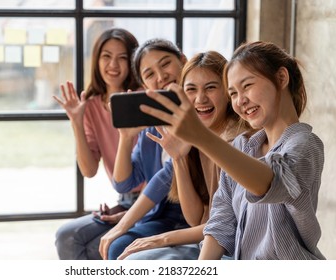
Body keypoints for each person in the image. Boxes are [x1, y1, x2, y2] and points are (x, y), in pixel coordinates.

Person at [139, 41, 325, 260]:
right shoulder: (242, 147)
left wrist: (201, 136)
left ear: (281, 78)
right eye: (233, 93)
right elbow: (220, 223)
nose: (240, 101)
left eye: (247, 86)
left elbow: (270, 181)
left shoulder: (305, 144)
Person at [117, 51, 250, 260]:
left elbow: (226, 226)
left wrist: (161, 239)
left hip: (230, 249)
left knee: (132, 259)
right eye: (191, 90)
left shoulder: (237, 143)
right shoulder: (194, 138)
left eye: (211, 87)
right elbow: (195, 217)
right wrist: (179, 158)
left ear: (227, 91)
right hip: (204, 240)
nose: (200, 98)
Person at [52, 27, 143, 260]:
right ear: (96, 61)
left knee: (96, 249)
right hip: (124, 202)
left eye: (122, 57)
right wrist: (77, 122)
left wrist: (131, 213)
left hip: (150, 203)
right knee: (66, 236)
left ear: (133, 62)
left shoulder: (143, 98)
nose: (113, 64)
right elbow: (89, 170)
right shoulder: (90, 106)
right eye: (106, 56)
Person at [98, 38, 190, 260]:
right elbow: (123, 183)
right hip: (160, 212)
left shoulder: (202, 112)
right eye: (150, 74)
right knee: (117, 247)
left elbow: (166, 175)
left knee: (120, 247)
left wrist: (124, 223)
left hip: (192, 214)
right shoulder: (151, 126)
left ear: (183, 61)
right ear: (145, 86)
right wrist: (126, 137)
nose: (161, 76)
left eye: (166, 64)